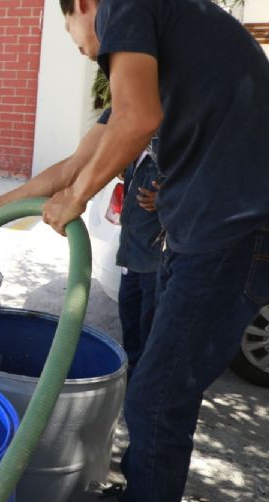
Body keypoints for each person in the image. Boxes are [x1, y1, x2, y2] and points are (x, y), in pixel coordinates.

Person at [0, 0, 269, 502]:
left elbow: (136, 121)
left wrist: (77, 199)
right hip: (203, 231)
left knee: (159, 390)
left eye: (75, 36)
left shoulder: (127, 6)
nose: (86, 51)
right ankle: (142, 500)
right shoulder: (161, 54)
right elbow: (74, 165)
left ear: (83, 5)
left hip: (233, 228)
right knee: (157, 380)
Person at [115, 133, 163, 378]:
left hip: (154, 259)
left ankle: (146, 377)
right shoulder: (136, 153)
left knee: (150, 323)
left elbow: (194, 190)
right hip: (130, 254)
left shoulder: (167, 153)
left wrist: (164, 200)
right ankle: (132, 369)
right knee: (129, 314)